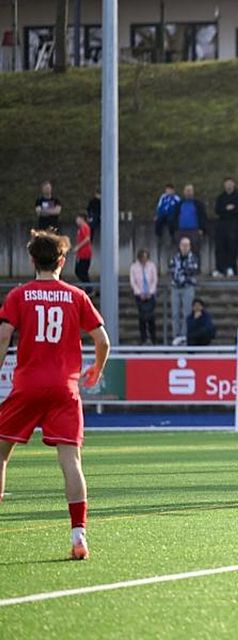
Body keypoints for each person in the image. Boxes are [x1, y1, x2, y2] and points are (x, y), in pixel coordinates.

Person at [0, 230, 111, 560]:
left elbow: (4, 334)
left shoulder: (19, 296)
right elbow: (102, 340)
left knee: (1, 455)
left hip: (28, 386)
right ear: (62, 261)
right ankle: (79, 536)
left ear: (32, 260)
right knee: (71, 462)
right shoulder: (77, 296)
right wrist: (97, 369)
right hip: (65, 389)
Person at [169, 236, 200, 346]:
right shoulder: (174, 258)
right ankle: (176, 336)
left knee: (187, 312)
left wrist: (182, 275)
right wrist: (182, 275)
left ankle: (184, 336)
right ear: (179, 246)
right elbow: (172, 270)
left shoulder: (194, 258)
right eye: (183, 245)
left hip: (188, 287)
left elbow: (191, 271)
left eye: (187, 245)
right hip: (175, 288)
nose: (185, 248)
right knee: (175, 313)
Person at [213, 178, 238, 277]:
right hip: (222, 225)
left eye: (230, 184)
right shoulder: (221, 197)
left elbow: (237, 210)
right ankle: (220, 269)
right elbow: (217, 210)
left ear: (234, 185)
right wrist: (226, 208)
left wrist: (225, 210)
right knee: (220, 247)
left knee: (232, 247)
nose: (228, 186)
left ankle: (231, 268)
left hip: (233, 224)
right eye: (227, 184)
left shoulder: (237, 196)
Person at [130, 249, 158, 345]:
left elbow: (154, 279)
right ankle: (143, 339)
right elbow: (133, 281)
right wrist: (139, 292)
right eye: (142, 258)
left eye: (146, 257)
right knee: (142, 318)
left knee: (151, 317)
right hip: (139, 295)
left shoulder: (152, 266)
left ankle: (153, 339)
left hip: (151, 295)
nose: (144, 260)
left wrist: (150, 292)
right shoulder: (134, 267)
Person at [173, 184, 207, 249]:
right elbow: (174, 217)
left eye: (190, 190)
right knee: (181, 251)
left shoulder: (198, 204)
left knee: (195, 250)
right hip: (181, 231)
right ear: (184, 192)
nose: (188, 192)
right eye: (187, 190)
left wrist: (202, 229)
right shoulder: (179, 204)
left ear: (193, 192)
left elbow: (203, 217)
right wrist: (175, 229)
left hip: (194, 231)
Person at [73, 211, 93, 292]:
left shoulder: (84, 227)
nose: (76, 220)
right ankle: (87, 288)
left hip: (85, 253)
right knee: (80, 271)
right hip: (81, 253)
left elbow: (87, 239)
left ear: (82, 219)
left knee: (81, 271)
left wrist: (78, 247)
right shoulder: (81, 228)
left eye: (77, 219)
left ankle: (89, 289)